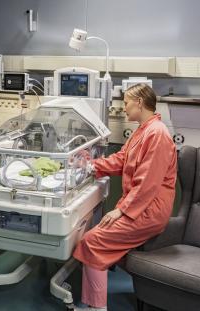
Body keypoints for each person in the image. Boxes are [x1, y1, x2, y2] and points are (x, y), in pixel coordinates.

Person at [72, 83, 178, 310]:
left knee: (92, 242)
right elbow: (121, 159)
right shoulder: (143, 130)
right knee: (97, 238)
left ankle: (97, 307)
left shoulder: (157, 134)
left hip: (148, 208)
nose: (123, 108)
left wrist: (122, 209)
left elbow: (148, 183)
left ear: (139, 102)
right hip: (138, 204)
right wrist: (91, 166)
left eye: (126, 102)